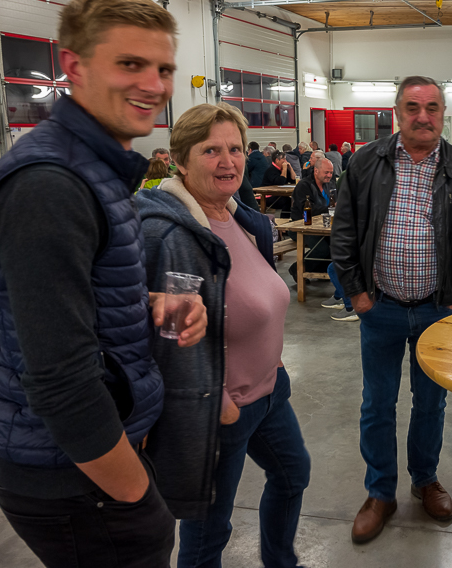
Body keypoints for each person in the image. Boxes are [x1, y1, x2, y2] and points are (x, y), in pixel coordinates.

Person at [0, 0, 207, 567]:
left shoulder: (95, 170)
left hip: (92, 469)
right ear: (74, 66)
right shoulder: (50, 185)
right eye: (130, 64)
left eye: (164, 69)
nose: (154, 85)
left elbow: (60, 303)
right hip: (77, 480)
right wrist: (135, 493)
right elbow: (58, 377)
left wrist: (146, 299)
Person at [137, 102, 310, 567]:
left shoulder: (241, 219)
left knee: (292, 474)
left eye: (235, 148)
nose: (228, 161)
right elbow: (169, 340)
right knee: (210, 530)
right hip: (221, 406)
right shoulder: (175, 236)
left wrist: (273, 361)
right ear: (180, 160)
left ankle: (281, 561)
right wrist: (220, 403)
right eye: (210, 150)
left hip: (269, 390)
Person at [331, 75, 452, 544]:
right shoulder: (367, 162)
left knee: (431, 403)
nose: (423, 117)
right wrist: (357, 295)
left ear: (443, 113)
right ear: (397, 112)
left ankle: (424, 480)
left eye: (432, 108)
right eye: (413, 107)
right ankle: (380, 493)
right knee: (377, 404)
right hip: (380, 307)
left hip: (436, 310)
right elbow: (344, 231)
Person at [288, 151, 336, 279]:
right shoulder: (304, 185)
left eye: (331, 172)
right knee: (322, 249)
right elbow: (308, 210)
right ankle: (298, 269)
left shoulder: (329, 184)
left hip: (322, 226)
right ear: (316, 171)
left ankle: (321, 271)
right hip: (301, 227)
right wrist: (331, 209)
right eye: (326, 172)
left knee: (338, 244)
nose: (329, 175)